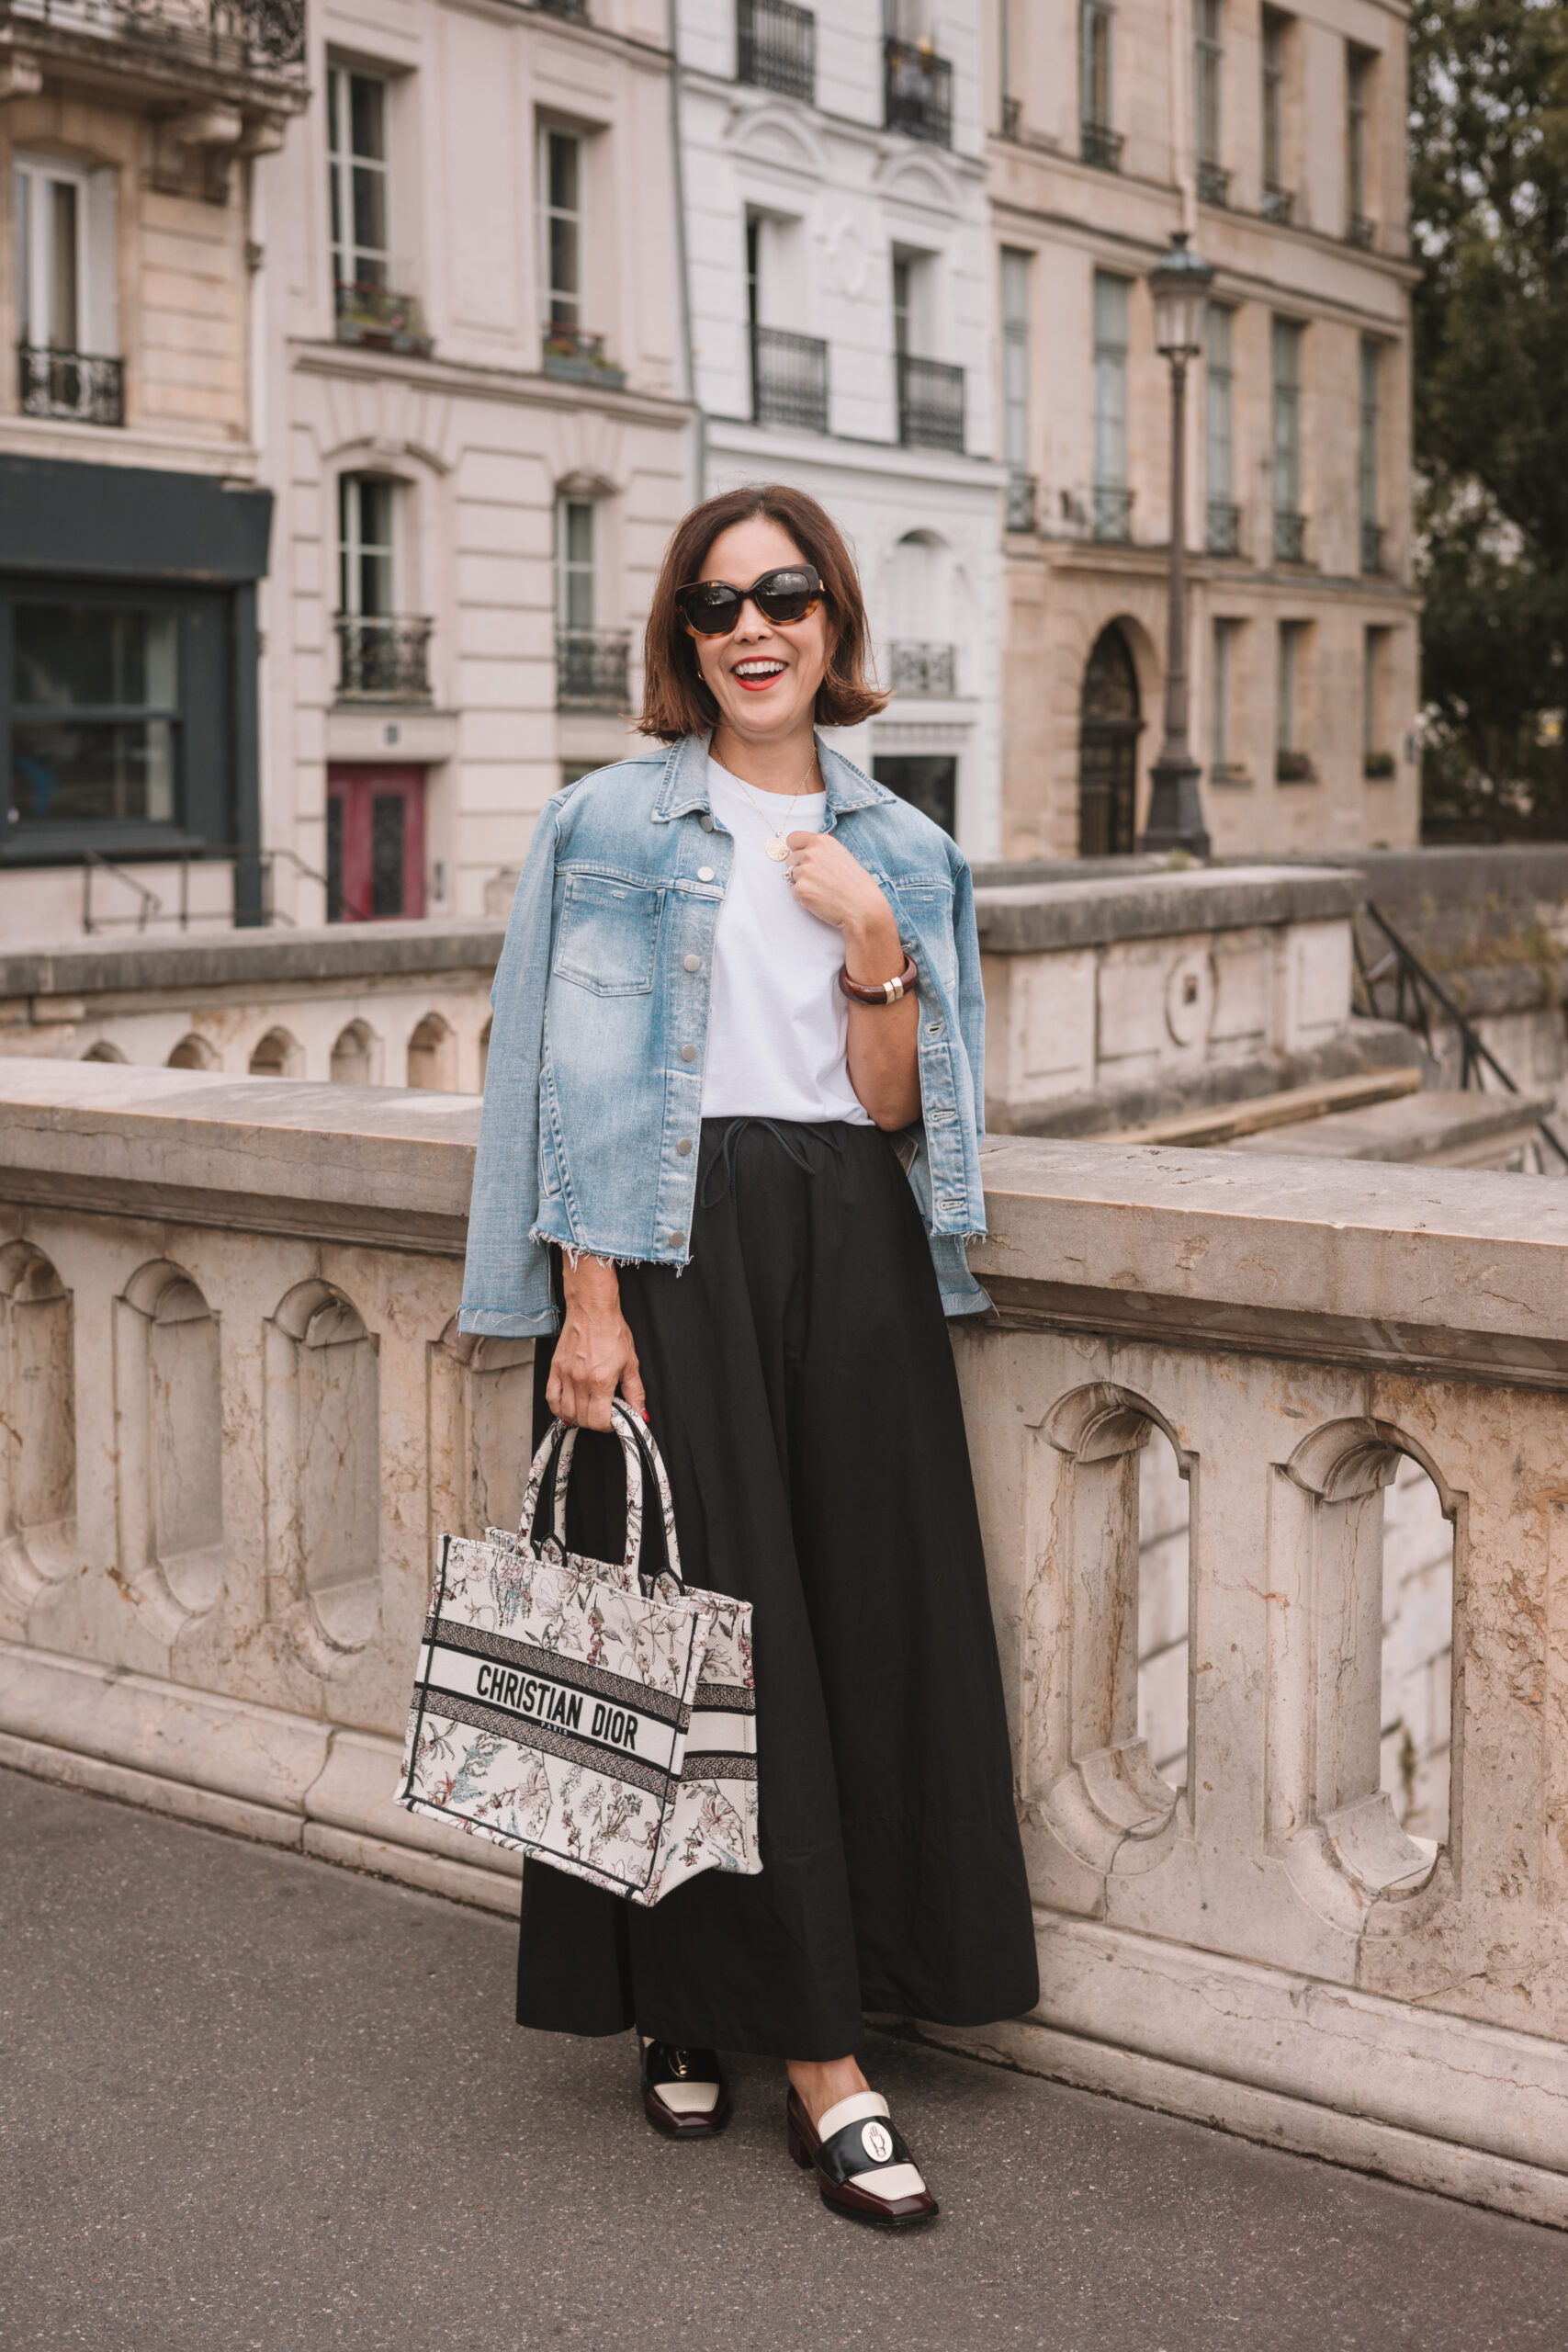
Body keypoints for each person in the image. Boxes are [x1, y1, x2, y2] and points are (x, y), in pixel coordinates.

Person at [459, 483, 1038, 2229]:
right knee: (696, 1632)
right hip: (671, 1242)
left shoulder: (909, 851)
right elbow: (557, 1089)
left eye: (786, 596)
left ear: (836, 625)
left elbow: (898, 1117)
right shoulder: (606, 825)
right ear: (683, 640)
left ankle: (710, 2002)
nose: (755, 629)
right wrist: (588, 1299)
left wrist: (874, 944)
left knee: (856, 1623)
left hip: (850, 1247)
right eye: (719, 607)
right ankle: (819, 2062)